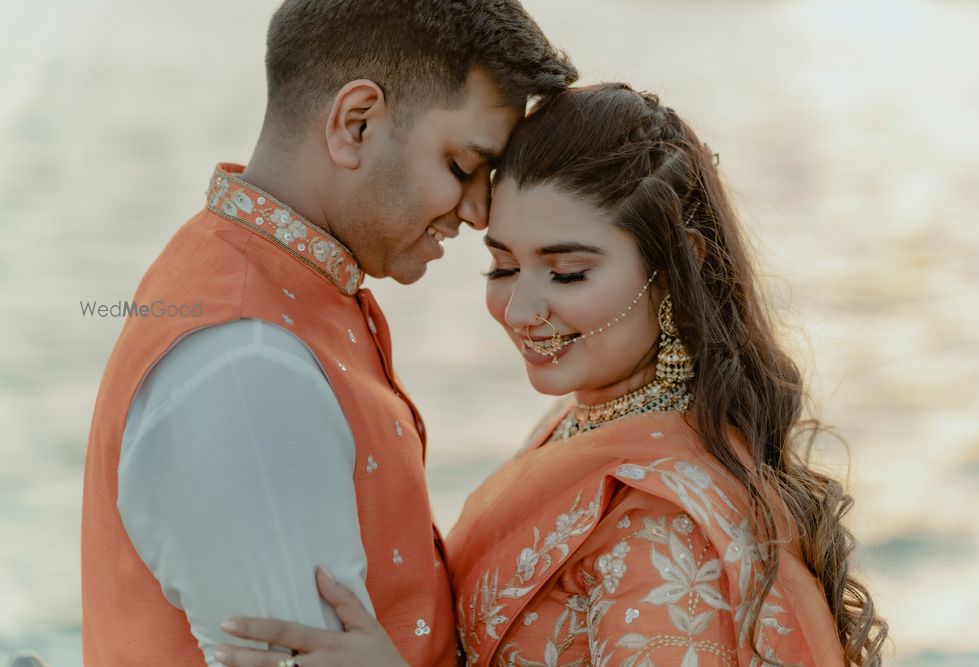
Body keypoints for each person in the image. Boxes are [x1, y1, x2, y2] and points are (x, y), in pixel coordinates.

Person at [215, 84, 889, 666]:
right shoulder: (591, 425)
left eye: (567, 271)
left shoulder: (663, 532)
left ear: (680, 262)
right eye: (503, 265)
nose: (522, 309)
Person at [80, 1, 576, 665]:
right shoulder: (248, 365)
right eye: (462, 166)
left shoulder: (272, 284)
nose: (480, 210)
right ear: (355, 123)